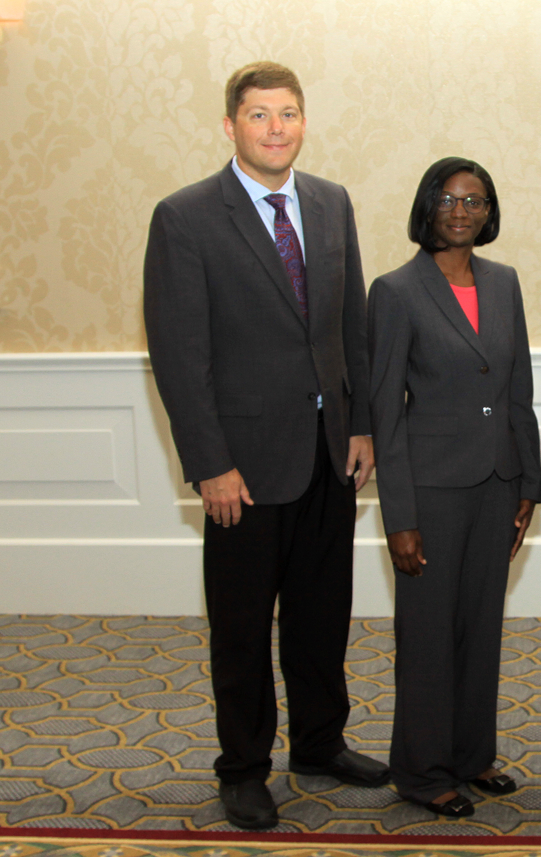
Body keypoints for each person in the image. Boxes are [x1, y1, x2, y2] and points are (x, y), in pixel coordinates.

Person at [143, 61, 389, 831]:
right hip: (242, 466)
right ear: (231, 126)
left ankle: (319, 742)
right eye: (258, 115)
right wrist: (210, 463)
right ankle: (244, 766)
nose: (275, 128)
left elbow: (349, 324)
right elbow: (180, 355)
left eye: (287, 113)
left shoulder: (330, 201)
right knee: (243, 626)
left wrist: (361, 422)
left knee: (323, 612)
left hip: (328, 452)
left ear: (303, 122)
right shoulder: (185, 217)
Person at [368, 157, 541, 818]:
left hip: (497, 482)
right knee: (428, 635)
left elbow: (517, 388)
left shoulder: (504, 282)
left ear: (489, 212)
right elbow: (386, 413)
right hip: (431, 491)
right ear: (427, 207)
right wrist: (398, 517)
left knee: (480, 625)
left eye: (475, 200)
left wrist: (528, 481)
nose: (461, 211)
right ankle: (421, 770)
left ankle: (472, 755)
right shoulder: (395, 290)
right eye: (448, 199)